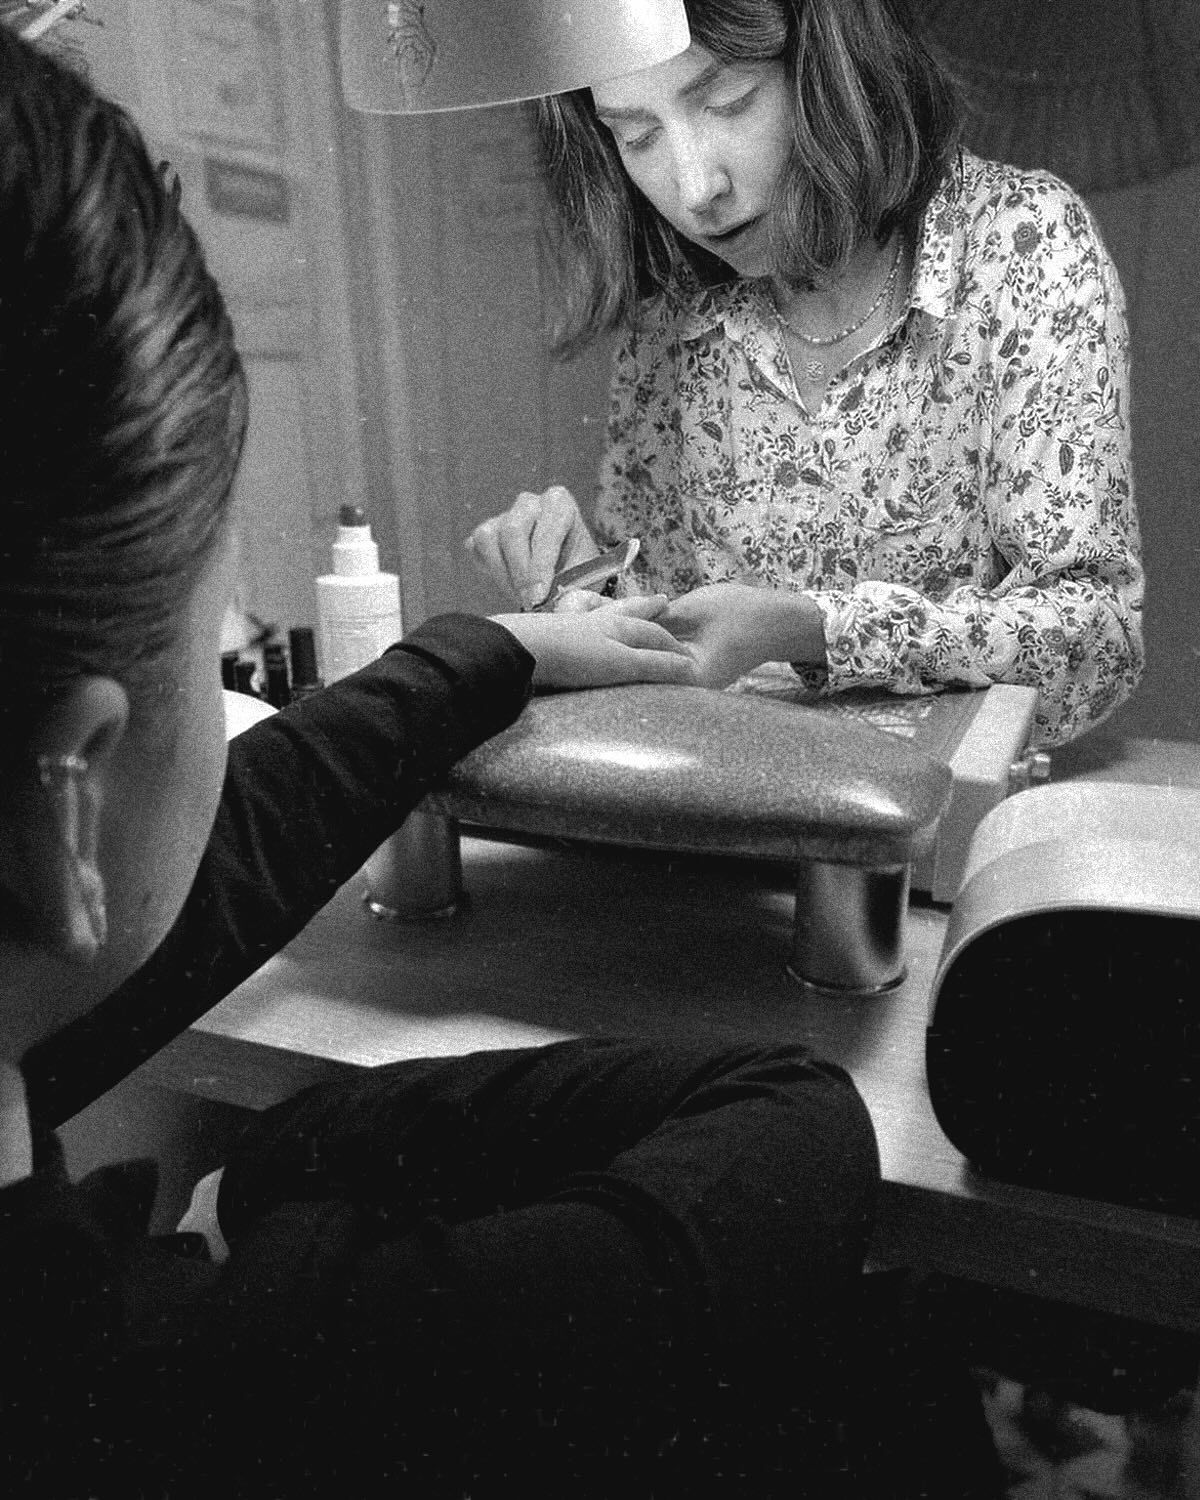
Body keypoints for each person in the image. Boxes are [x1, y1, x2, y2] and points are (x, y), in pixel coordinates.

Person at [0, 23, 991, 1499]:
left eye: (723, 98)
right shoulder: (189, 1393)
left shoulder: (1008, 245)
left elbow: (233, 838)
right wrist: (290, 1217)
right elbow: (789, 1131)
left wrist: (512, 645)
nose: (694, 177)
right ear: (64, 803)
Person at [465, 0, 1144, 748]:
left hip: (940, 838)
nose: (696, 189)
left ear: (828, 67)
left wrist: (810, 628)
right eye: (639, 136)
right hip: (740, 821)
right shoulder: (676, 318)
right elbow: (674, 642)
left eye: (729, 103)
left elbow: (1097, 642)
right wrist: (583, 588)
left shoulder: (1023, 245)